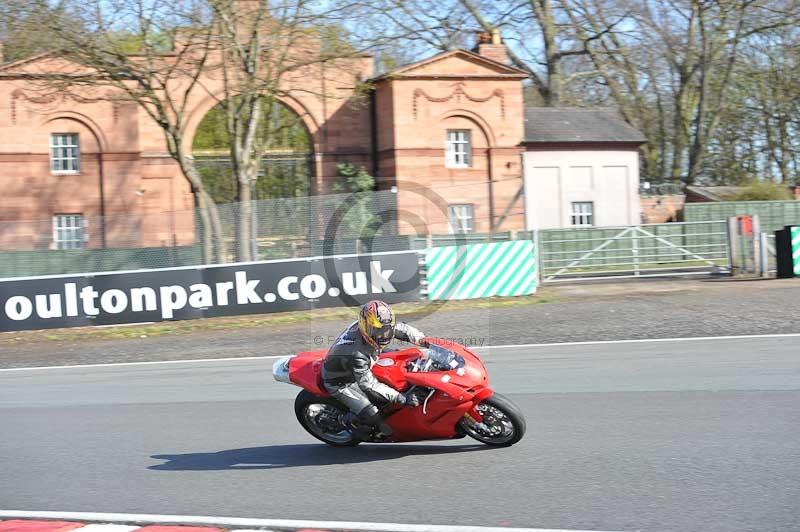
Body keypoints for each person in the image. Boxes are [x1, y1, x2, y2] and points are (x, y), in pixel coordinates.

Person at [322, 299, 427, 437]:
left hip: (365, 358)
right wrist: (402, 398)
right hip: (341, 382)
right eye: (378, 331)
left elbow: (402, 329)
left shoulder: (376, 326)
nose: (383, 335)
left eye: (387, 330)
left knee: (401, 359)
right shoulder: (357, 354)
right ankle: (349, 422)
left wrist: (425, 341)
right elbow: (368, 385)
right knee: (373, 415)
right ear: (365, 326)